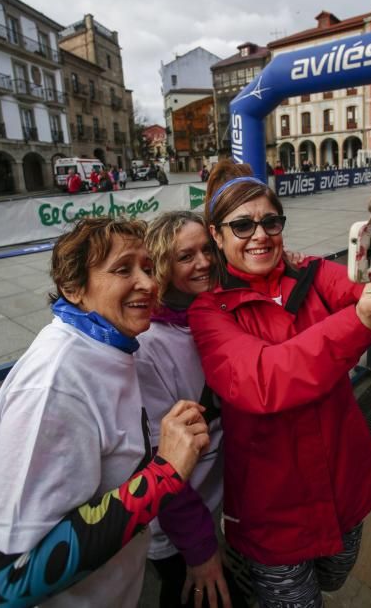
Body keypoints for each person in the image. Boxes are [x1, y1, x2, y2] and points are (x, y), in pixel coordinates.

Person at [187, 159, 371, 607]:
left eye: (270, 221)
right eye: (241, 226)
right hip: (273, 511)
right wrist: (358, 320)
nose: (259, 234)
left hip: (344, 484)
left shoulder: (314, 273)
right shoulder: (209, 311)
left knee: (335, 576)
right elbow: (261, 380)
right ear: (216, 236)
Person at [0, 217, 209, 608]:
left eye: (147, 267)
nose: (147, 283)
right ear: (73, 288)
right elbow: (11, 579)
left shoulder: (112, 346)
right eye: (123, 269)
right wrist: (164, 475)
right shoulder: (53, 385)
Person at [135, 211, 248, 608]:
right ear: (163, 265)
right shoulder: (150, 344)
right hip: (176, 530)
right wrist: (199, 549)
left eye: (206, 250)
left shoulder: (209, 311)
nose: (202, 262)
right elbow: (157, 463)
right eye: (185, 256)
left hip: (209, 507)